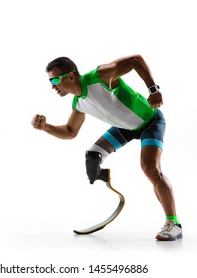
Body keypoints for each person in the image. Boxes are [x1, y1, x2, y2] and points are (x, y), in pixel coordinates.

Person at [31, 54, 182, 241]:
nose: (53, 86)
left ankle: (173, 223)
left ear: (71, 76)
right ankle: (106, 178)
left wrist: (153, 89)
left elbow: (136, 60)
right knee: (92, 157)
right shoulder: (78, 103)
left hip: (150, 122)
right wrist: (46, 127)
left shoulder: (100, 76)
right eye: (50, 81)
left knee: (150, 168)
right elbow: (70, 131)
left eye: (55, 79)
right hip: (124, 128)